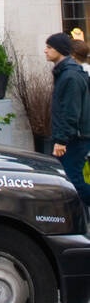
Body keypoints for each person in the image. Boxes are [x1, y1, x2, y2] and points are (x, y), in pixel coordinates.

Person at [45, 32, 90, 215]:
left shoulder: (70, 76)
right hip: (74, 136)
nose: (45, 51)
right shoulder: (66, 73)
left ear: (60, 50)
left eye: (49, 47)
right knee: (71, 179)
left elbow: (71, 111)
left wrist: (61, 140)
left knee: (71, 180)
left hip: (75, 138)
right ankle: (79, 216)